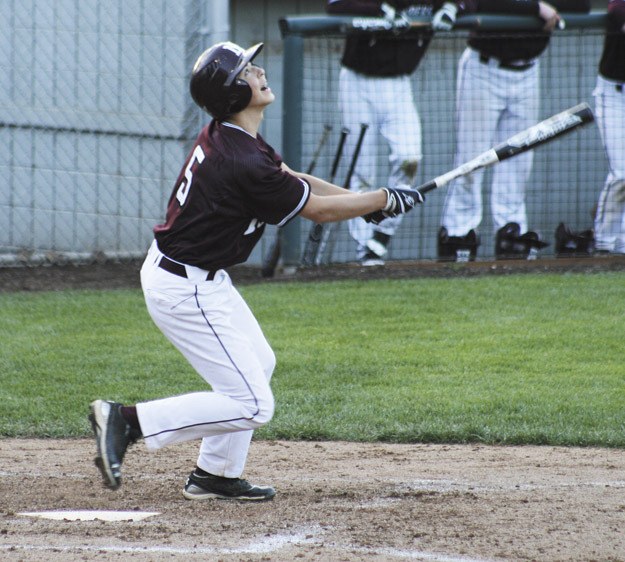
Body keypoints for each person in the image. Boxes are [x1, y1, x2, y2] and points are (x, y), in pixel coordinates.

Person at [88, 41, 423, 501]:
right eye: (246, 70)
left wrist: (366, 204)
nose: (259, 71)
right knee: (252, 404)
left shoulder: (236, 137)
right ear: (233, 94)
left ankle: (215, 474)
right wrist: (380, 199)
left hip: (197, 276)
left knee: (259, 364)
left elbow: (295, 181)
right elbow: (319, 213)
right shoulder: (240, 158)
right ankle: (127, 421)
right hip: (184, 287)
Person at [437, 0, 591, 261]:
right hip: (484, 69)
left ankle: (511, 229)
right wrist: (534, 7)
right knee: (472, 159)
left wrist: (539, 6)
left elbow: (581, 5)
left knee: (519, 157)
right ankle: (457, 231)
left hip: (528, 70)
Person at [326, 0, 453, 266]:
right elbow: (335, 4)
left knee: (410, 157)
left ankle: (382, 235)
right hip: (358, 81)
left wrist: (455, 8)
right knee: (361, 170)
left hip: (398, 84)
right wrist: (379, 10)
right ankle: (364, 247)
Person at [592, 0, 625, 254]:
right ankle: (604, 241)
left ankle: (621, 241)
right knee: (622, 172)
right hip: (614, 93)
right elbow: (617, 9)